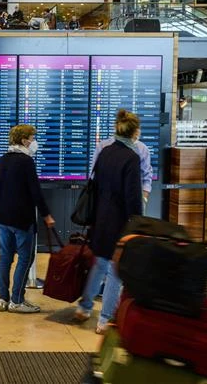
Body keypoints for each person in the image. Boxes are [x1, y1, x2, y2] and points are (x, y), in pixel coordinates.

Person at [74, 109, 143, 334]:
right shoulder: (131, 158)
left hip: (100, 218)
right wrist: (137, 224)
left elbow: (96, 184)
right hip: (119, 222)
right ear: (134, 132)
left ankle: (84, 308)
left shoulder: (105, 152)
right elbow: (132, 196)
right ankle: (106, 318)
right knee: (115, 270)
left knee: (101, 263)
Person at [0, 125, 55, 313]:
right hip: (22, 219)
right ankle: (17, 300)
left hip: (2, 217)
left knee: (5, 257)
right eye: (32, 138)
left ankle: (3, 298)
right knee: (26, 257)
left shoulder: (4, 160)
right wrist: (46, 215)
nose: (34, 142)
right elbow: (36, 192)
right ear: (24, 140)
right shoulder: (26, 162)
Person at [91, 119, 153, 208]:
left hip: (110, 202)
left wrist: (144, 198)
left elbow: (147, 175)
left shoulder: (142, 149)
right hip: (110, 201)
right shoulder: (103, 147)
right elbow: (94, 175)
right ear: (134, 131)